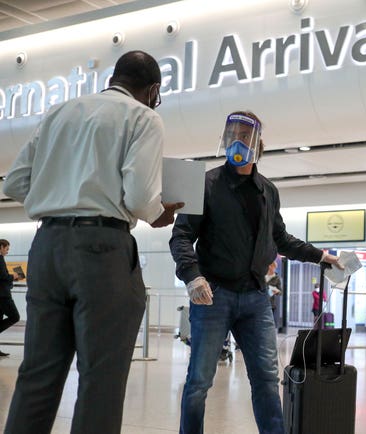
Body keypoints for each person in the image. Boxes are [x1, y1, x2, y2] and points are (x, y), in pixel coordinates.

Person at [2, 50, 183, 434]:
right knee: (100, 378)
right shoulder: (144, 117)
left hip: (47, 246)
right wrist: (158, 214)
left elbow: (15, 183)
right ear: (152, 90)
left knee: (38, 373)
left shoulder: (59, 112)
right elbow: (138, 197)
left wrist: (59, 191)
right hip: (102, 249)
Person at [169, 110, 341, 434]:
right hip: (213, 297)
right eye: (232, 133)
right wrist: (192, 276)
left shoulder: (267, 191)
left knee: (265, 379)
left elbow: (281, 239)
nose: (238, 140)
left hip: (255, 298)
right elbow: (181, 236)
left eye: (245, 135)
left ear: (258, 144)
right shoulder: (202, 183)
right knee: (198, 382)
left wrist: (321, 256)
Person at [0, 239, 20, 357]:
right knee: (15, 316)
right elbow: (2, 276)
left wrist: (12, 278)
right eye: (6, 249)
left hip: (1, 294)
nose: (7, 251)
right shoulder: (0, 259)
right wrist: (13, 276)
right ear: (1, 247)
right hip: (3, 295)